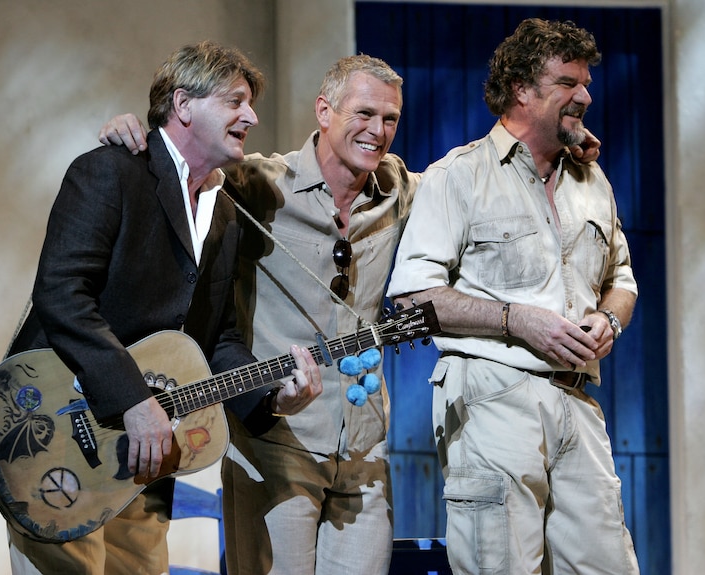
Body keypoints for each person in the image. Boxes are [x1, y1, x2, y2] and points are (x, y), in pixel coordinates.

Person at [99, 54, 603, 574]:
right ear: (324, 110)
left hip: (364, 450)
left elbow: (474, 183)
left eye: (390, 119)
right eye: (363, 114)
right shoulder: (254, 184)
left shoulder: (403, 191)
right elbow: (181, 162)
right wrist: (130, 135)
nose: (377, 130)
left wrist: (546, 156)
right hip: (277, 442)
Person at [6, 41, 322, 575]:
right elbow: (62, 294)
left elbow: (214, 340)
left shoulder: (224, 214)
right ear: (183, 105)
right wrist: (133, 400)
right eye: (235, 101)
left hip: (143, 461)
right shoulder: (111, 172)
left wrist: (271, 397)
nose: (252, 116)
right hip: (58, 432)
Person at [386, 18, 640, 574]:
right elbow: (411, 300)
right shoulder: (459, 175)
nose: (586, 95)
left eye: (586, 82)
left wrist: (609, 321)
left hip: (578, 404)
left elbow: (622, 279)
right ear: (522, 89)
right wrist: (517, 321)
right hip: (491, 396)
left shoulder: (592, 180)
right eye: (569, 83)